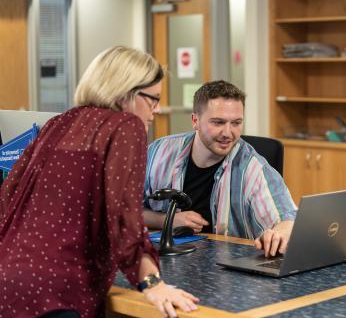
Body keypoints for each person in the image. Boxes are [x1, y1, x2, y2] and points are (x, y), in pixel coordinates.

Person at [0, 46, 198, 318]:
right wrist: (151, 282)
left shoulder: (59, 122)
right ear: (126, 93)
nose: (157, 109)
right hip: (59, 290)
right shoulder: (126, 126)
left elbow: (9, 194)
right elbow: (122, 214)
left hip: (9, 282)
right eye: (153, 99)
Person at [143, 80, 296, 257]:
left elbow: (287, 218)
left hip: (226, 270)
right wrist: (167, 221)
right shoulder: (159, 152)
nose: (228, 133)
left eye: (236, 123)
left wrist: (283, 231)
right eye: (218, 122)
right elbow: (123, 211)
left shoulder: (253, 167)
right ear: (195, 121)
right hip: (164, 260)